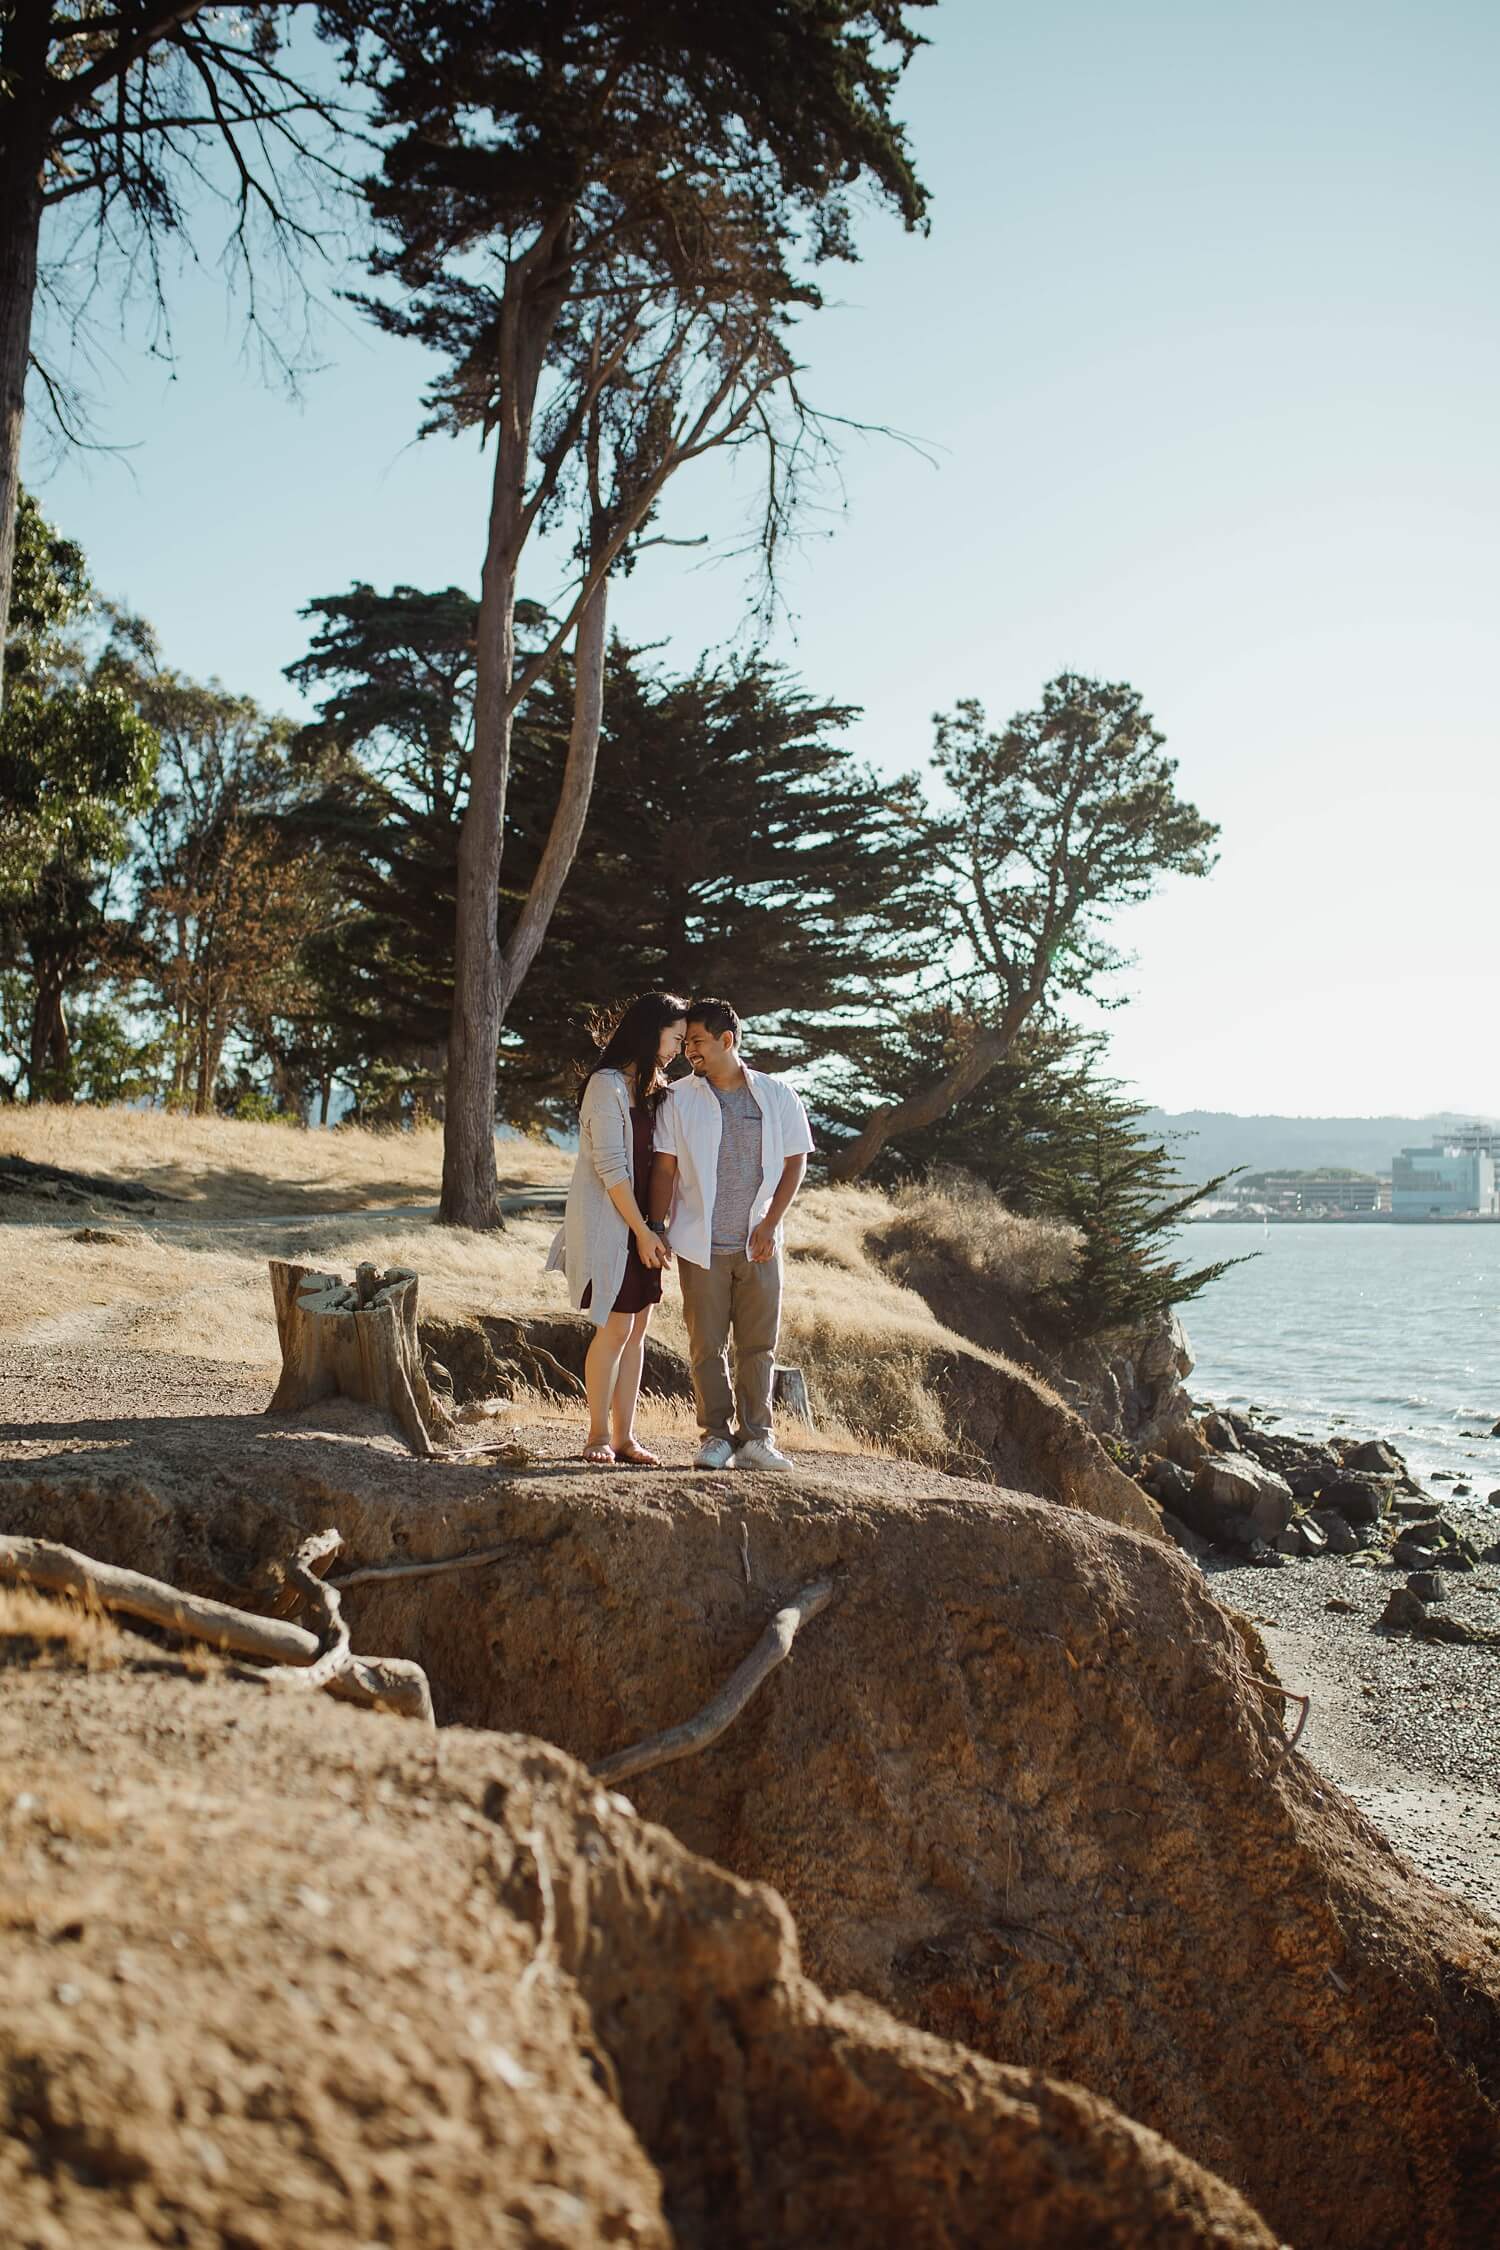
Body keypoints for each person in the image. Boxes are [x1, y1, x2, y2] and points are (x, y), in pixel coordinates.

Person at [648, 996, 814, 1472]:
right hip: (702, 1246)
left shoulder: (778, 1095)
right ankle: (715, 1437)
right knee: (706, 1347)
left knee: (758, 1346)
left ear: (727, 1040)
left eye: (697, 1041)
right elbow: (665, 1167)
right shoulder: (678, 1098)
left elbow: (795, 1161)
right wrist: (657, 1228)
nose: (689, 1051)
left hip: (759, 1245)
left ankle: (757, 1438)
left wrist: (770, 1223)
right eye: (686, 1043)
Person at [545, 991, 688, 1465]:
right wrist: (642, 1232)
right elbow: (612, 1171)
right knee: (614, 1330)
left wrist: (657, 1227)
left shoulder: (652, 1088)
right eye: (676, 1037)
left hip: (645, 1229)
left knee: (638, 1330)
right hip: (616, 1229)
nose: (679, 1048)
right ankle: (597, 1436)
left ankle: (626, 1437)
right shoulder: (605, 1087)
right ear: (652, 1031)